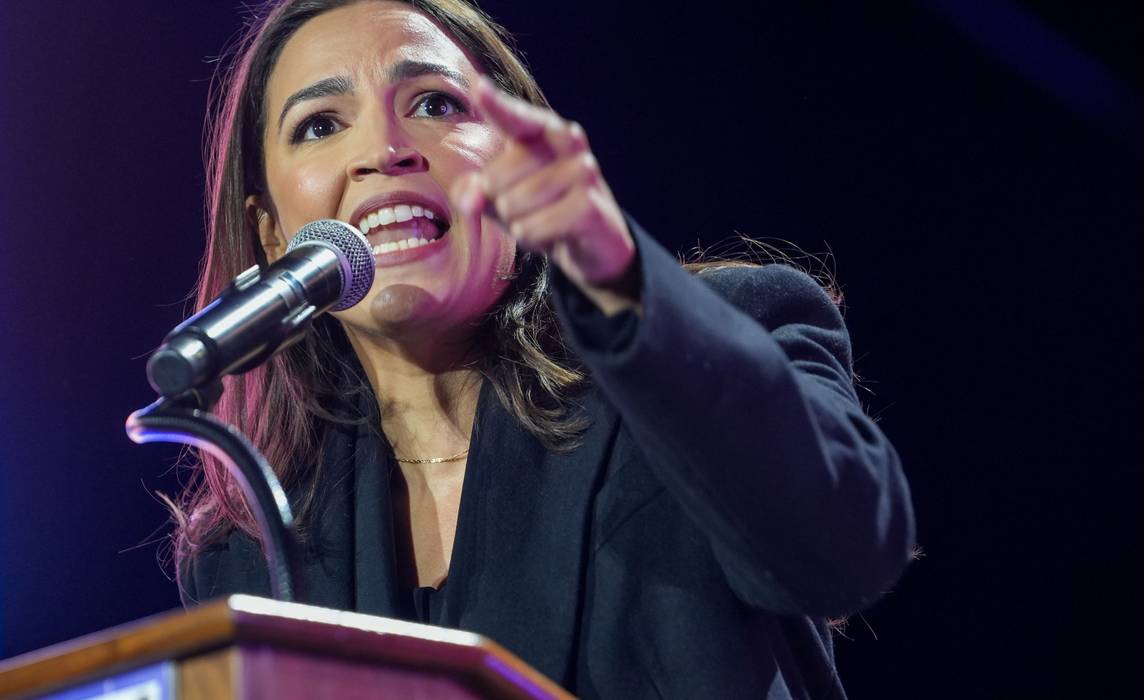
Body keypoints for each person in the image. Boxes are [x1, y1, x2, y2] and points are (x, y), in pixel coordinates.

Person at [171, 0, 916, 697]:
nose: (385, 149)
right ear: (271, 231)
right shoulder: (253, 546)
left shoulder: (715, 337)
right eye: (320, 124)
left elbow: (842, 553)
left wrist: (617, 276)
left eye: (435, 104)